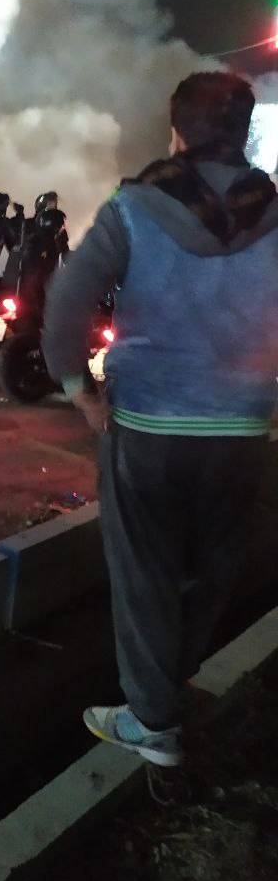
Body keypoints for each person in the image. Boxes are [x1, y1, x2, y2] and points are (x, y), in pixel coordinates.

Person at [43, 71, 278, 769]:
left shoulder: (135, 207)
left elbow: (66, 304)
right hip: (242, 429)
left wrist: (79, 390)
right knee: (211, 569)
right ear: (243, 134)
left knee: (146, 571)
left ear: (177, 133)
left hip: (147, 425)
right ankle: (169, 686)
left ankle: (152, 721)